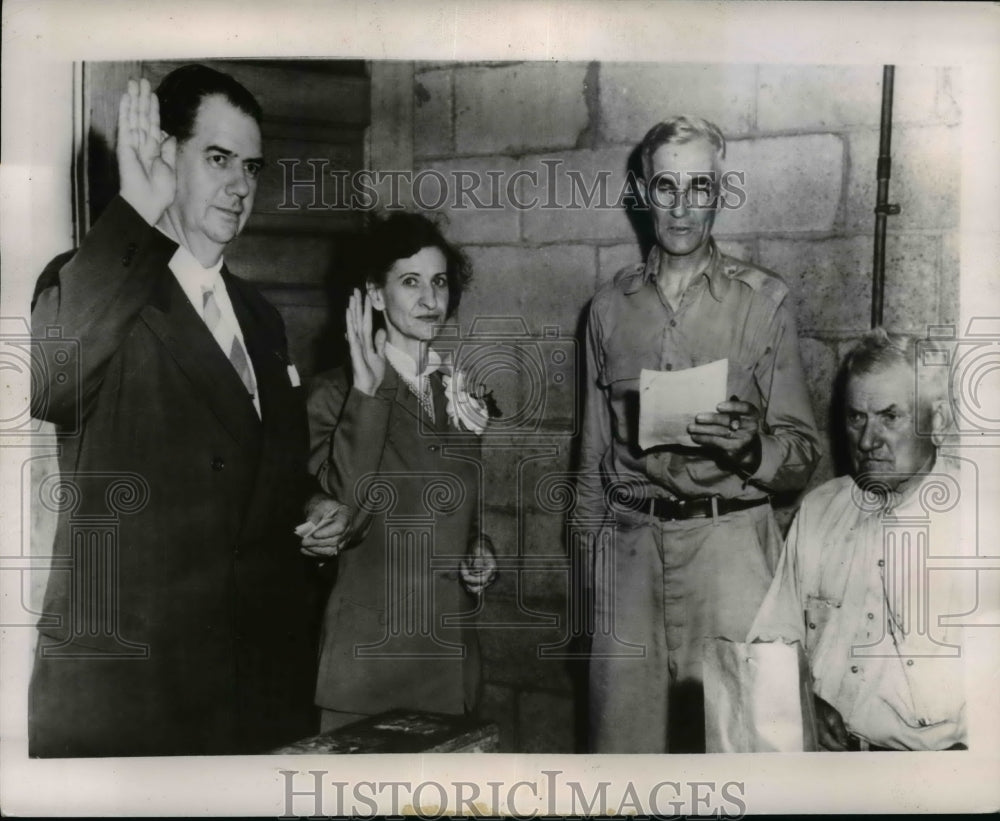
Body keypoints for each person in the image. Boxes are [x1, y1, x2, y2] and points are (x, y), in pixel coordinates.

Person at [29, 65, 349, 757]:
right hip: (132, 693)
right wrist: (137, 212)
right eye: (218, 158)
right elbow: (51, 383)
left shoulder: (262, 317)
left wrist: (314, 504)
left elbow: (264, 468)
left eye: (251, 167)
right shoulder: (93, 281)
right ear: (167, 156)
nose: (241, 185)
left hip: (254, 687)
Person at [574, 115, 821, 752]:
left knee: (753, 753)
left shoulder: (763, 301)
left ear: (720, 192)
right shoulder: (607, 309)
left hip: (731, 549)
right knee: (623, 757)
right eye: (666, 187)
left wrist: (751, 449)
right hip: (631, 555)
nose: (681, 208)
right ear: (642, 193)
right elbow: (592, 457)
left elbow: (802, 454)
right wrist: (593, 582)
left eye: (699, 187)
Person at [306, 212, 498, 732]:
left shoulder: (459, 395)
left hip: (450, 667)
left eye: (439, 282)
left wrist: (478, 549)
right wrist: (366, 398)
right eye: (410, 282)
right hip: (369, 672)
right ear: (374, 293)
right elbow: (344, 522)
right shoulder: (333, 395)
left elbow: (457, 515)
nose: (430, 298)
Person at [751, 329, 969, 751]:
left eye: (890, 417)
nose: (867, 441)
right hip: (824, 764)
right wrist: (800, 698)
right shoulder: (820, 510)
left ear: (938, 421)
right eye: (856, 418)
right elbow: (772, 640)